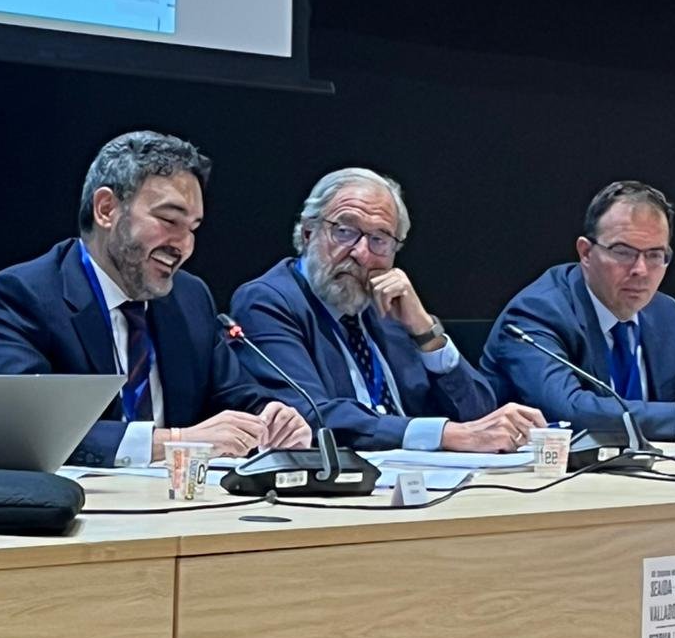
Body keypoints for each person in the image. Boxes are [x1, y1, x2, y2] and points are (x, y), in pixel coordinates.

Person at [0, 130, 312, 468]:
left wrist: (272, 419)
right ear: (106, 209)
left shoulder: (190, 299)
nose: (184, 245)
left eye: (193, 228)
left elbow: (237, 397)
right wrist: (175, 442)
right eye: (169, 220)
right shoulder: (24, 296)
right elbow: (21, 431)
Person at [231, 167, 543, 452]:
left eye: (379, 239)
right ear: (308, 233)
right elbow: (308, 414)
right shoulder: (268, 301)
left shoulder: (390, 308)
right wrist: (445, 435)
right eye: (344, 231)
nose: (361, 253)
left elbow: (479, 416)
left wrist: (426, 333)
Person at [483, 180, 675, 439]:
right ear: (586, 252)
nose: (640, 270)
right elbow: (569, 412)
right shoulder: (536, 313)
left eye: (654, 255)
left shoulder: (667, 314)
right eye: (623, 252)